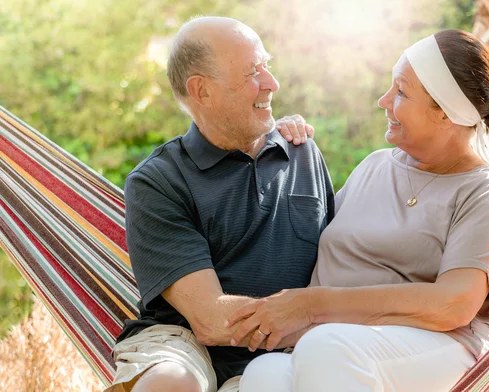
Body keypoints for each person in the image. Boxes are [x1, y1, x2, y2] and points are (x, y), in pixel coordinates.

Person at [228, 29, 489, 392]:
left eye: (400, 92)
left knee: (327, 348)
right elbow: (302, 241)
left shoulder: (486, 191)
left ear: (445, 114)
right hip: (331, 344)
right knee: (265, 374)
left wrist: (312, 306)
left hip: (441, 345)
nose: (383, 101)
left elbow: (454, 304)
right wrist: (279, 140)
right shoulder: (375, 166)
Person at [105, 17, 335, 392]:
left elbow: (343, 260)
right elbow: (210, 321)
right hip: (184, 341)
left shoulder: (303, 152)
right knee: (171, 383)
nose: (272, 84)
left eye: (267, 65)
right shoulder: (158, 181)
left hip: (289, 349)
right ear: (202, 90)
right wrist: (314, 313)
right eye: (251, 72)